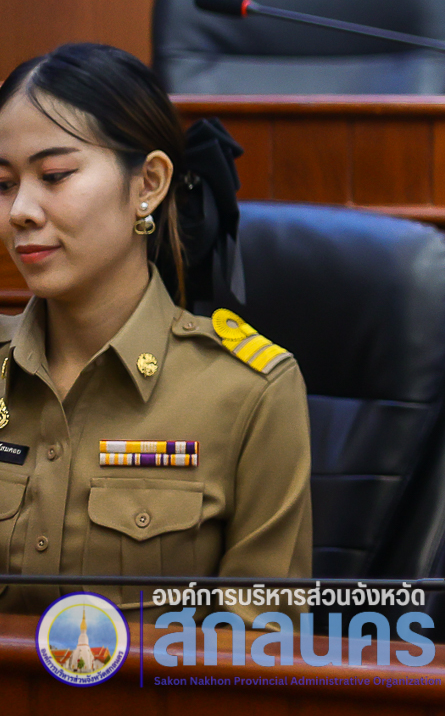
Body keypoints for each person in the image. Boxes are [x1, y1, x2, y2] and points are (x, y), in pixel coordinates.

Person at [0, 43, 311, 619]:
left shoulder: (249, 390)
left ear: (148, 183)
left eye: (54, 176)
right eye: (2, 184)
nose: (20, 210)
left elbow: (257, 641)